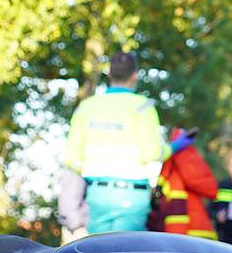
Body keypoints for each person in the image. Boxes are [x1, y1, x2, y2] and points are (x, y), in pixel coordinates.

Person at [63, 51, 182, 233]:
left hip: (98, 194)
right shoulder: (143, 106)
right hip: (132, 196)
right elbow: (151, 153)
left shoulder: (87, 106)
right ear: (135, 76)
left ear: (109, 73)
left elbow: (72, 158)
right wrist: (175, 146)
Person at [148, 128, 218, 239]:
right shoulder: (173, 164)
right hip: (190, 233)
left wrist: (180, 150)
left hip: (187, 233)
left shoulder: (176, 162)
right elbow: (210, 188)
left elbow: (210, 189)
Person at [57, 167, 90, 244]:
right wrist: (77, 227)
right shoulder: (76, 168)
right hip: (78, 230)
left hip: (77, 227)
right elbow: (70, 201)